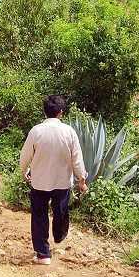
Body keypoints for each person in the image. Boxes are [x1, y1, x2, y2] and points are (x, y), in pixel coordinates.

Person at [19, 94, 88, 265]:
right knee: (61, 211)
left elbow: (25, 155)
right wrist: (81, 179)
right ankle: (59, 235)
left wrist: (24, 170)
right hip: (62, 182)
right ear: (61, 113)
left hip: (40, 182)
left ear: (45, 112)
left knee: (39, 215)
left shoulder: (36, 131)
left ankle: (43, 254)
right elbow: (77, 159)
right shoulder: (69, 132)